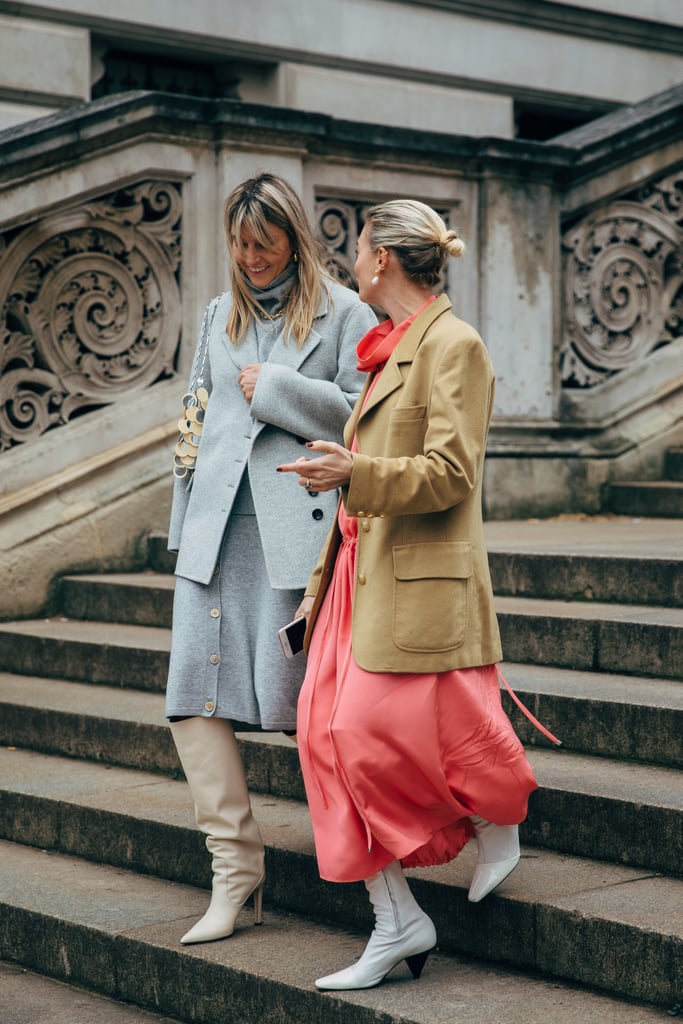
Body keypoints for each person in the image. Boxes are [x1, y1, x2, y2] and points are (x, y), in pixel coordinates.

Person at [277, 198, 559, 991]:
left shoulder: (452, 346)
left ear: (382, 262)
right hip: (354, 578)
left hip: (411, 577)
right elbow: (371, 478)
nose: (350, 263)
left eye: (357, 249)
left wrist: (352, 472)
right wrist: (322, 560)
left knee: (367, 732)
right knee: (319, 739)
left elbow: (452, 473)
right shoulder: (394, 346)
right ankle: (395, 918)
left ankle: (493, 812)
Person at [165, 172, 376, 946]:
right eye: (240, 244)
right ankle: (234, 871)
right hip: (215, 535)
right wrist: (181, 526)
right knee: (192, 698)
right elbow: (192, 417)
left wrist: (280, 388)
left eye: (265, 244)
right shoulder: (218, 313)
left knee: (306, 710)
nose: (250, 258)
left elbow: (366, 416)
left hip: (296, 539)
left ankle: (368, 859)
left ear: (293, 237)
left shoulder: (344, 311)